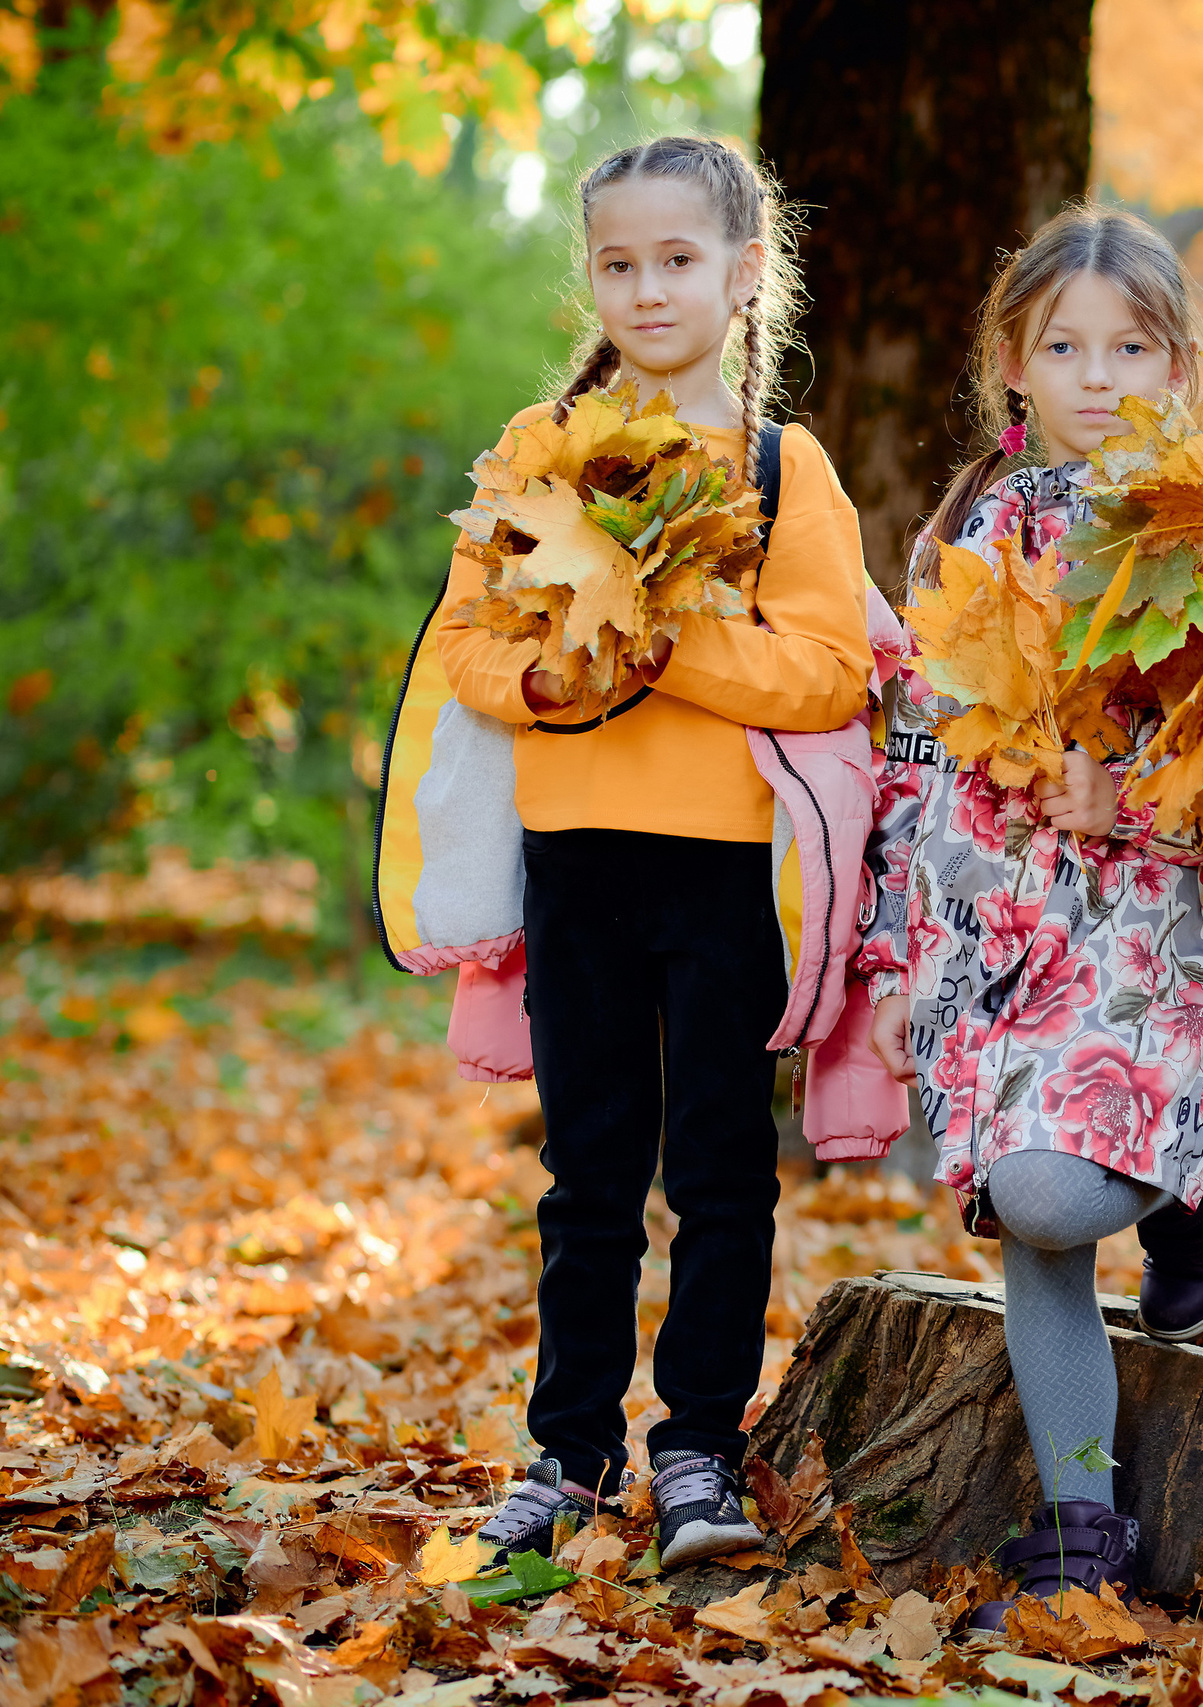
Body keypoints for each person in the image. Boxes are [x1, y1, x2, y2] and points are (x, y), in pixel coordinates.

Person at [439, 136, 878, 1570]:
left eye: (678, 260)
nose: (647, 288)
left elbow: (825, 674)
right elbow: (468, 642)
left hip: (724, 872)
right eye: (619, 263)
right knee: (587, 1176)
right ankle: (565, 1456)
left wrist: (668, 635)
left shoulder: (778, 467)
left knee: (721, 1171)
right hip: (577, 863)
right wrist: (546, 682)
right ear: (592, 275)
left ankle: (698, 1450)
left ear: (746, 275)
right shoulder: (533, 451)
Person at [859, 203, 1203, 1627]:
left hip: (1150, 934)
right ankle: (1083, 1523)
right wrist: (901, 951)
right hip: (997, 932)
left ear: (1174, 362)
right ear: (1013, 363)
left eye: (1132, 346)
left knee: (1052, 1186)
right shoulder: (970, 527)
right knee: (1035, 1235)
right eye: (1065, 346)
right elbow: (920, 747)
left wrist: (1137, 789)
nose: (1099, 375)